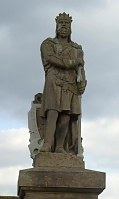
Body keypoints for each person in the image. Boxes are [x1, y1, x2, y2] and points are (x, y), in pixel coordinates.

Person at [39, 12, 87, 154]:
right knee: (53, 112)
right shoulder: (48, 44)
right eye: (61, 24)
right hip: (54, 80)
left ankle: (60, 146)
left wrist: (82, 82)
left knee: (66, 116)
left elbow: (81, 68)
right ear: (57, 26)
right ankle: (47, 144)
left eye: (67, 24)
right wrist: (72, 62)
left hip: (71, 84)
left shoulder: (77, 49)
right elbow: (51, 59)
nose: (64, 27)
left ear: (70, 28)